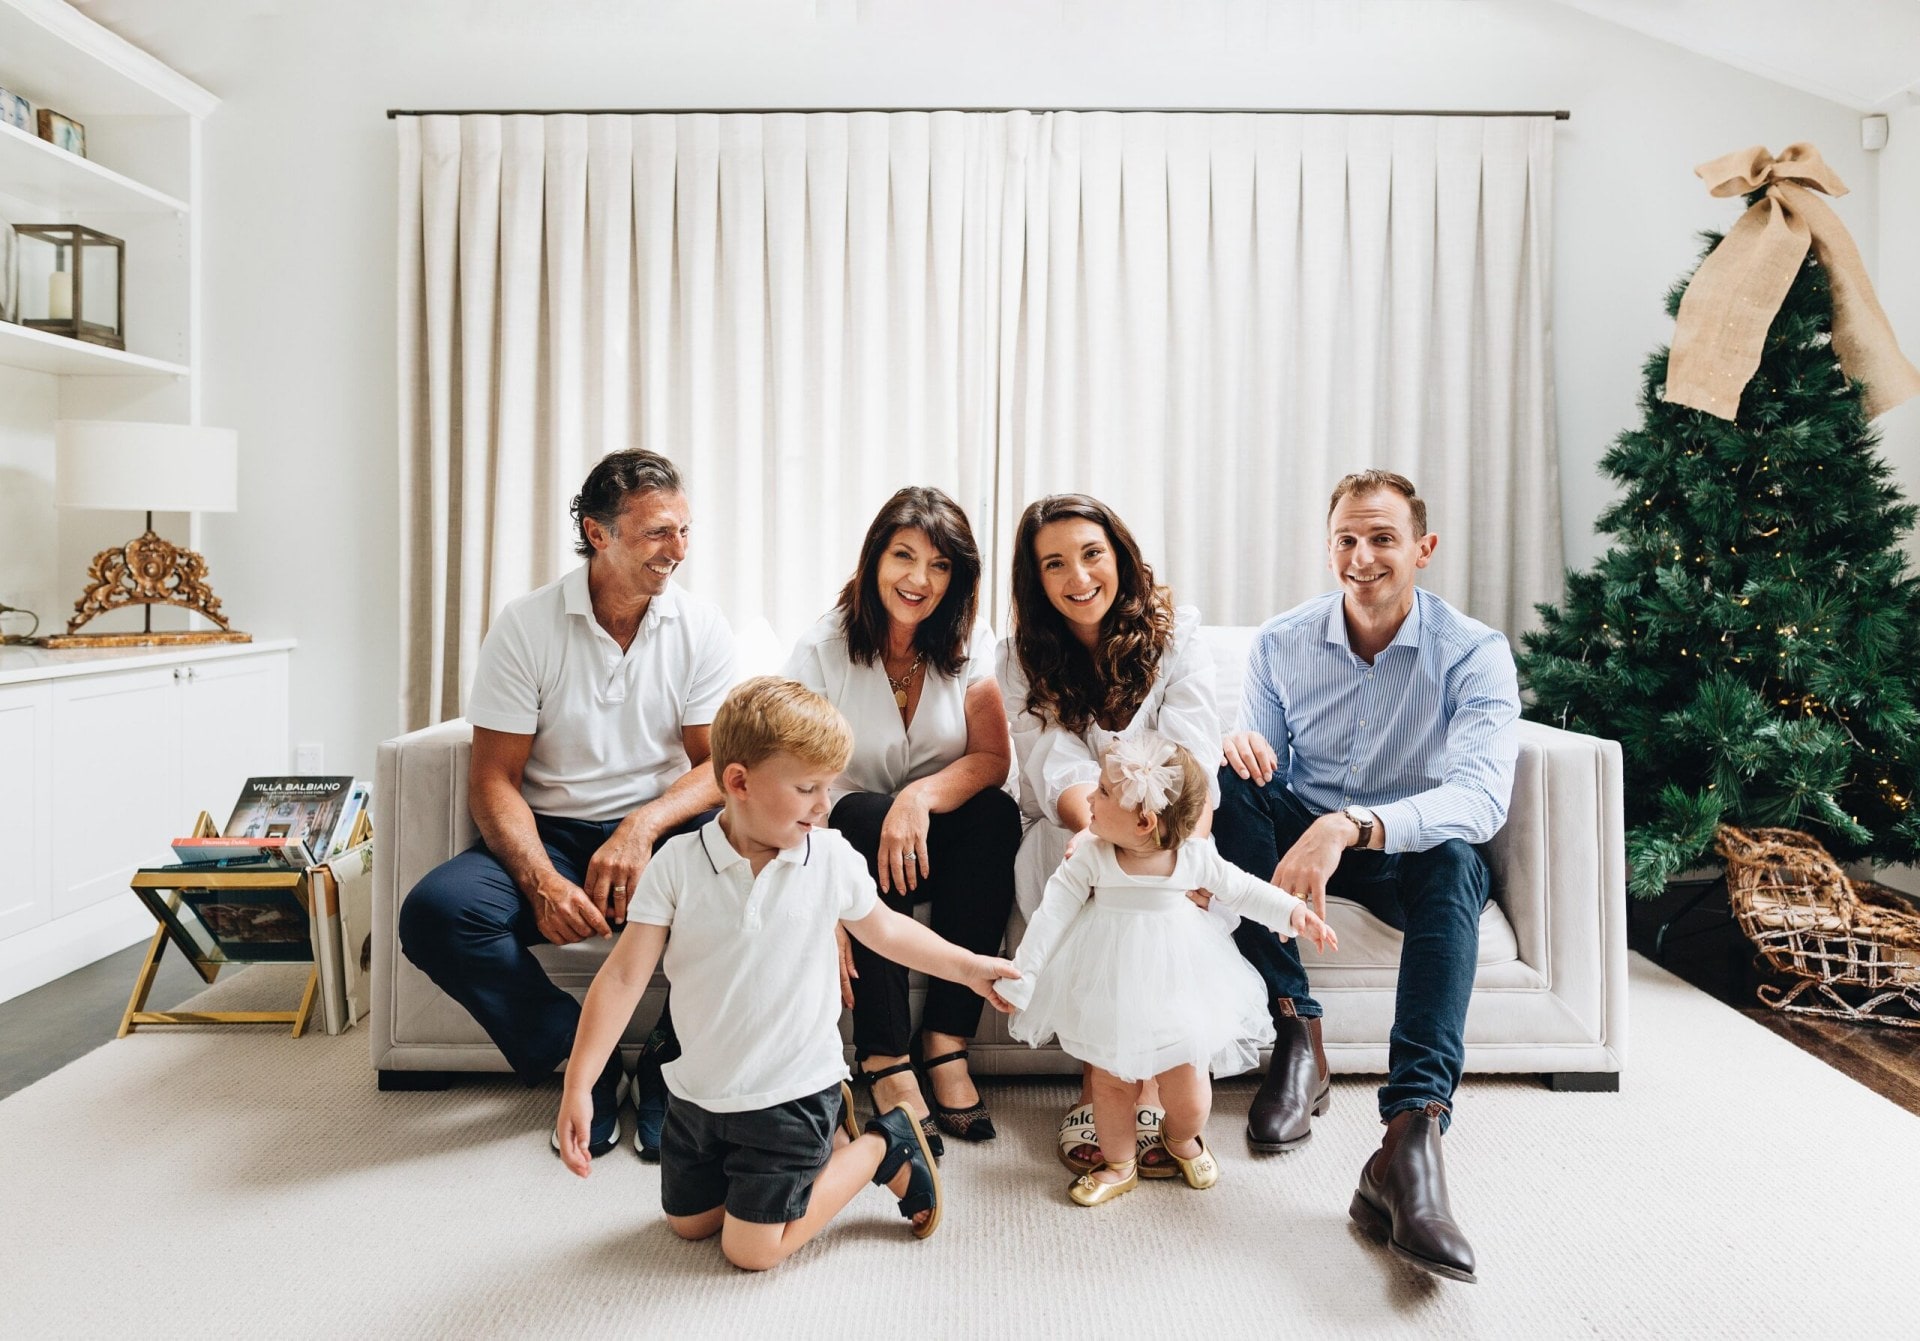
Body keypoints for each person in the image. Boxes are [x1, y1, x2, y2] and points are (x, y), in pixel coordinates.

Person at [554, 677, 1020, 1271]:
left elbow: (890, 932)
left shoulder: (828, 856)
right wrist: (578, 1085)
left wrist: (970, 966)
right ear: (739, 782)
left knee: (750, 1252)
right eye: (807, 788)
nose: (825, 805)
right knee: (689, 1224)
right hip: (697, 1095)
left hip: (792, 1094)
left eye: (829, 786)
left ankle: (883, 1144)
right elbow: (621, 980)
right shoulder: (675, 865)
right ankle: (827, 1152)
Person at [1213, 469, 1519, 1285]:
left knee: (1457, 858)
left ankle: (1410, 1135)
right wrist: (1243, 749)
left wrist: (1352, 826)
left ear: (1423, 548)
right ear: (1329, 549)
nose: (1362, 555)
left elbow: (1481, 797)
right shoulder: (1281, 642)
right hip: (1300, 835)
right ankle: (1295, 1026)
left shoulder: (1474, 653)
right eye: (1347, 538)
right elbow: (1265, 767)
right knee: (1229, 784)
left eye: (1382, 537)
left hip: (1405, 846)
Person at [399, 449, 733, 1162]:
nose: (678, 551)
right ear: (598, 532)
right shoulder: (526, 626)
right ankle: (585, 1054)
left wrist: (642, 827)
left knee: (740, 877)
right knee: (435, 915)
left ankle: (672, 1063)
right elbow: (493, 779)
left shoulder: (700, 626)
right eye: (657, 534)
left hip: (661, 831)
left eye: (684, 531)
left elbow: (716, 768)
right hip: (551, 833)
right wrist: (540, 881)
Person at [995, 734, 1335, 1206]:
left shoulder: (1193, 857)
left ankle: (1182, 1139)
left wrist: (1292, 914)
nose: (1090, 799)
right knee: (1112, 1086)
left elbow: (1244, 890)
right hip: (1109, 981)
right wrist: (1024, 974)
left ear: (1144, 821)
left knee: (1189, 1089)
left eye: (1103, 794)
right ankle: (1118, 1164)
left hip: (1177, 983)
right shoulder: (1090, 855)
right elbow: (1053, 913)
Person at [784, 487, 1020, 1154]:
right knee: (861, 808)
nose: (919, 579)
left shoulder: (971, 644)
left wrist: (916, 800)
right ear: (875, 558)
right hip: (845, 844)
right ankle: (884, 1055)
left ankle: (945, 1038)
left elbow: (991, 757)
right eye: (904, 556)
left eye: (940, 565)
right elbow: (793, 774)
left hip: (934, 841)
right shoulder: (823, 647)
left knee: (996, 816)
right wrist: (823, 891)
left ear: (958, 577)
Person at [998, 493, 1223, 1178]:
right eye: (1055, 564)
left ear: (1118, 555)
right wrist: (1099, 837)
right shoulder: (1018, 657)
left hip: (1176, 823)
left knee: (1164, 895)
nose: (1079, 577)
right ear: (1035, 579)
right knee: (1083, 879)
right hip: (1073, 820)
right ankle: (1105, 1085)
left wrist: (1167, 852)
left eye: (1092, 554)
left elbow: (1194, 760)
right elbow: (1054, 765)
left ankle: (1149, 1081)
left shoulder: (1177, 633)